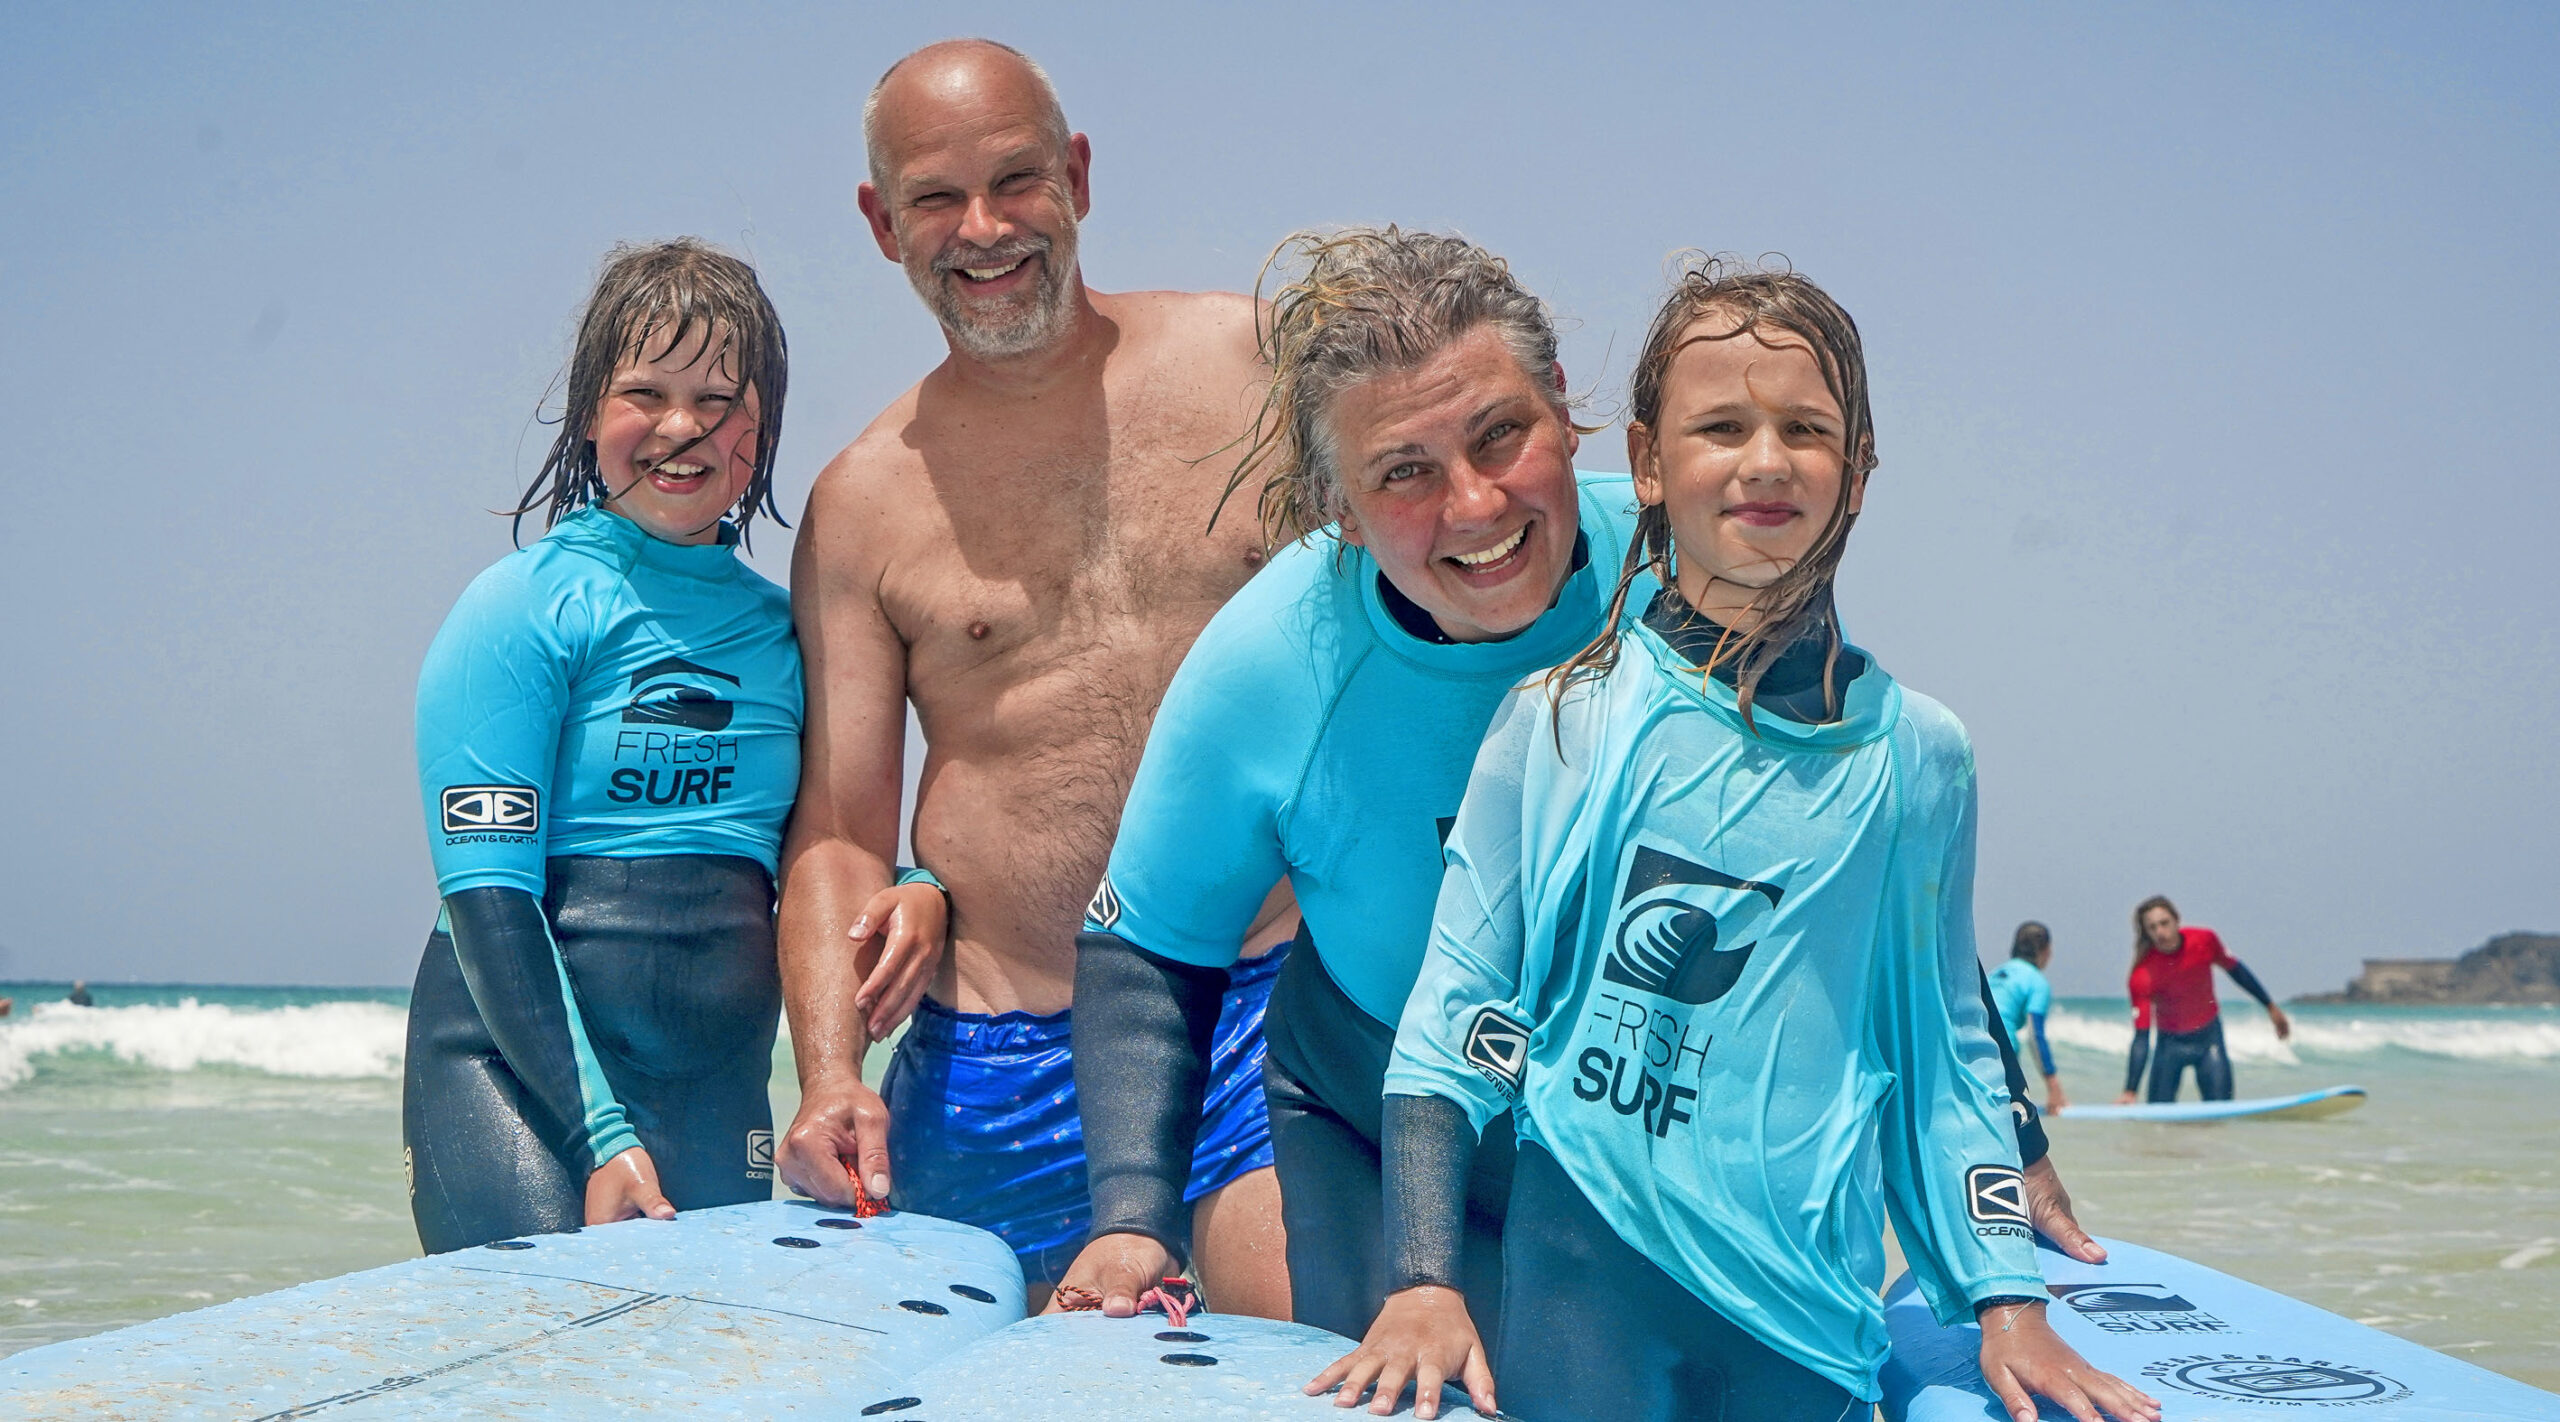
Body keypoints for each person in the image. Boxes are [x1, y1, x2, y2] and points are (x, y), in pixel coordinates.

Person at [1059, 231, 2104, 1352]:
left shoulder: (1679, 560)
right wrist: (1132, 1215)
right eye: (1402, 470)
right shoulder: (1274, 664)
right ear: (1335, 501)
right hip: (1382, 1119)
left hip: (1640, 1126)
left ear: (1566, 408)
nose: (1473, 505)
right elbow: (1152, 948)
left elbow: (1867, 849)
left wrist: (2012, 1148)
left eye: (1499, 434)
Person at [1329, 262, 2154, 1422]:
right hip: (1586, 1281)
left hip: (1809, 1320)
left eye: (1805, 430)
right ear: (1651, 462)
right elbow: (1454, 1018)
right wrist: (1422, 1281)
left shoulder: (1916, 755)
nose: (1765, 463)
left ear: (1858, 470)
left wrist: (2005, 1299)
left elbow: (1942, 1051)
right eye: (1720, 427)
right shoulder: (1565, 720)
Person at [776, 39, 1292, 1306]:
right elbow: (840, 829)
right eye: (936, 199)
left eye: (1016, 180)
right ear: (878, 222)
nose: (985, 228)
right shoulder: (861, 502)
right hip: (1000, 1057)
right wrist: (832, 1078)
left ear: (1076, 175)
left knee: (1299, 1356)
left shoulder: (1258, 370)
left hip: (1257, 1007)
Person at [405, 239, 948, 1254]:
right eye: (644, 392)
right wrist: (597, 1135)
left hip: (711, 1076)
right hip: (521, 1075)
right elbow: (488, 898)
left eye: (718, 399)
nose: (679, 428)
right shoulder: (520, 611)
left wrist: (919, 884)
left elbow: (823, 843)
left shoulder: (788, 636)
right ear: (588, 414)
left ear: (761, 425)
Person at [2117, 894, 2290, 1105]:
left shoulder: (2204, 941)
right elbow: (2141, 1037)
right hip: (2169, 1046)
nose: (2160, 932)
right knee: (2158, 1124)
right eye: (2152, 927)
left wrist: (2270, 1007)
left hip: (2209, 1040)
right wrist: (2130, 1090)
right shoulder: (2142, 975)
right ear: (2146, 932)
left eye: (2164, 923)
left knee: (2219, 1116)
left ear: (2177, 920)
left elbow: (2236, 971)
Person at [1991, 920, 2067, 1111]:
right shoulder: (2037, 981)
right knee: (2013, 1118)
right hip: (2003, 1049)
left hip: (1970, 1046)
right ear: (2046, 951)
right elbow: (2036, 1035)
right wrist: (2053, 1086)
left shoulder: (1994, 973)